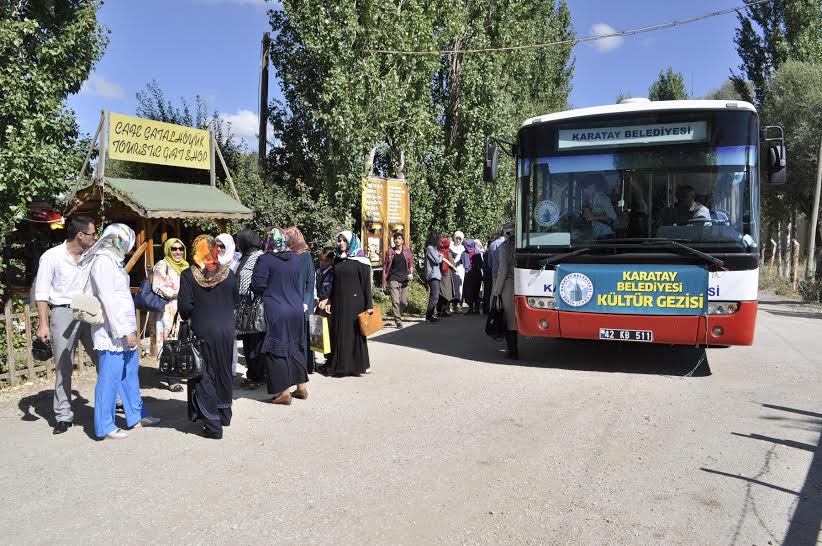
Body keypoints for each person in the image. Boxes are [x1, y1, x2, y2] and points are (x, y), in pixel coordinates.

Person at [82, 223, 160, 439]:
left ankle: (136, 415)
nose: (129, 247)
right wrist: (124, 331)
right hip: (112, 332)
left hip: (125, 329)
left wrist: (128, 329)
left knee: (129, 374)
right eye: (127, 242)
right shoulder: (102, 262)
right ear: (117, 240)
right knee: (109, 379)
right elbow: (109, 300)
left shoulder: (113, 261)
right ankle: (105, 425)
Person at [33, 215, 100, 434]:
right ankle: (63, 415)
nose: (95, 237)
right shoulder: (51, 257)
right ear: (80, 235)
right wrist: (43, 324)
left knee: (102, 357)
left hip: (88, 309)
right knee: (64, 366)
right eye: (92, 234)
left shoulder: (93, 255)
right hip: (63, 311)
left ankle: (114, 400)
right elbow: (42, 292)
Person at [178, 234, 239, 439]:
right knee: (223, 371)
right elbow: (235, 300)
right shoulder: (228, 273)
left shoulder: (189, 275)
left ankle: (212, 425)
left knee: (203, 375)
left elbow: (185, 307)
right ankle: (224, 415)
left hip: (202, 331)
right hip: (226, 331)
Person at [251, 227, 311, 404]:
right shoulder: (295, 258)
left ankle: (284, 393)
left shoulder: (265, 259)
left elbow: (257, 285)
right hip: (296, 308)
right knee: (295, 347)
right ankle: (301, 388)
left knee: (276, 350)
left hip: (276, 309)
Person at [321, 231, 372, 376]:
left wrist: (369, 305)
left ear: (351, 242)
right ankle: (341, 366)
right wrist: (329, 299)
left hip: (355, 303)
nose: (341, 243)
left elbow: (366, 284)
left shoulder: (361, 260)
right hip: (338, 302)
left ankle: (357, 366)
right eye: (339, 240)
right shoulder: (338, 259)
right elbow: (334, 282)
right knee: (340, 332)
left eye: (344, 240)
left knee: (353, 333)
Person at [153, 238, 188, 393]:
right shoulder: (162, 265)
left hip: (184, 311)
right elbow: (159, 286)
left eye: (180, 248)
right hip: (168, 311)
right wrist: (182, 292)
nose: (178, 252)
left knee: (182, 343)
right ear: (168, 250)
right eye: (174, 249)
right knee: (169, 343)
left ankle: (179, 371)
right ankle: (172, 380)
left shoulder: (186, 266)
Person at [234, 228, 265, 387]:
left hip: (254, 308)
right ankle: (252, 375)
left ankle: (258, 377)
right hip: (243, 307)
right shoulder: (244, 257)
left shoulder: (258, 257)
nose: (238, 244)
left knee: (256, 343)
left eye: (240, 241)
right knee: (247, 343)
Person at [285, 226, 316, 373]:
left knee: (305, 335)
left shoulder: (305, 255)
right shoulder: (285, 255)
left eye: (289, 236)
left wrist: (306, 301)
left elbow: (310, 280)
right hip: (289, 300)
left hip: (303, 301)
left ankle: (307, 365)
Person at [491, 228, 518, 359]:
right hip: (523, 283)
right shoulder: (522, 245)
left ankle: (513, 351)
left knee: (509, 319)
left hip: (509, 284)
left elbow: (503, 270)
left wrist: (496, 291)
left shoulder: (505, 247)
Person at [216, 232, 239, 375]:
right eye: (216, 246)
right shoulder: (211, 260)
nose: (218, 249)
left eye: (222, 246)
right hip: (214, 304)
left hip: (231, 304)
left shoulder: (237, 261)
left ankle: (231, 370)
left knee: (230, 338)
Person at [381, 231, 414, 328]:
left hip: (404, 279)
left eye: (399, 238)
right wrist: (384, 280)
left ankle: (397, 313)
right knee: (395, 301)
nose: (397, 240)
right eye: (395, 238)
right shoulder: (390, 252)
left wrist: (411, 273)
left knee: (403, 302)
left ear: (402, 241)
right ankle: (398, 321)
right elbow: (385, 267)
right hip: (393, 279)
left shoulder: (406, 251)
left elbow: (411, 264)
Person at [314, 247, 335, 367]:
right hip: (319, 304)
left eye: (325, 261)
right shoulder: (318, 272)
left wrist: (328, 299)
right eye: (321, 260)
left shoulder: (333, 272)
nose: (322, 263)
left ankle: (329, 359)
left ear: (331, 260)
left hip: (328, 306)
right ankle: (325, 358)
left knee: (329, 332)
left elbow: (333, 289)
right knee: (320, 333)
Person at [580, 173, 617, 240]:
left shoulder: (603, 199)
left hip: (607, 236)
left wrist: (593, 217)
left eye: (585, 187)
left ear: (593, 186)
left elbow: (613, 218)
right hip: (597, 236)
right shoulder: (590, 200)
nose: (584, 191)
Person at [424, 233, 442, 323]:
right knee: (434, 297)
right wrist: (441, 256)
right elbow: (437, 260)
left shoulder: (433, 249)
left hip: (436, 275)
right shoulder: (430, 249)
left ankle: (430, 316)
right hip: (433, 275)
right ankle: (428, 316)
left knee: (434, 296)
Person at [462, 239, 484, 314]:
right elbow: (481, 264)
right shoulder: (477, 252)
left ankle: (470, 308)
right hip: (477, 275)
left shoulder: (464, 253)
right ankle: (476, 309)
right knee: (476, 292)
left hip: (469, 275)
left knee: (469, 292)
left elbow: (462, 262)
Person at [437, 236, 457, 317]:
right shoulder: (448, 252)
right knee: (446, 293)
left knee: (440, 293)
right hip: (446, 274)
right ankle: (443, 310)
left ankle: (439, 311)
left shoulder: (437, 251)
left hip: (438, 274)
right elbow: (452, 263)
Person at [450, 231, 466, 313]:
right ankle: (451, 306)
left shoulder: (463, 248)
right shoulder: (451, 246)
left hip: (460, 269)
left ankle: (456, 305)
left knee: (459, 288)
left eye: (460, 239)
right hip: (451, 269)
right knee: (452, 287)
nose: (458, 240)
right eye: (457, 238)